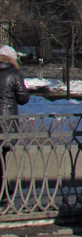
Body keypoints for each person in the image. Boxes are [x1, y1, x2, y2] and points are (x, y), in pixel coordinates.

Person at [1, 45, 31, 188]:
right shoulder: (14, 74)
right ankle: (3, 188)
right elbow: (23, 98)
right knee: (2, 156)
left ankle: (4, 188)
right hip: (6, 122)